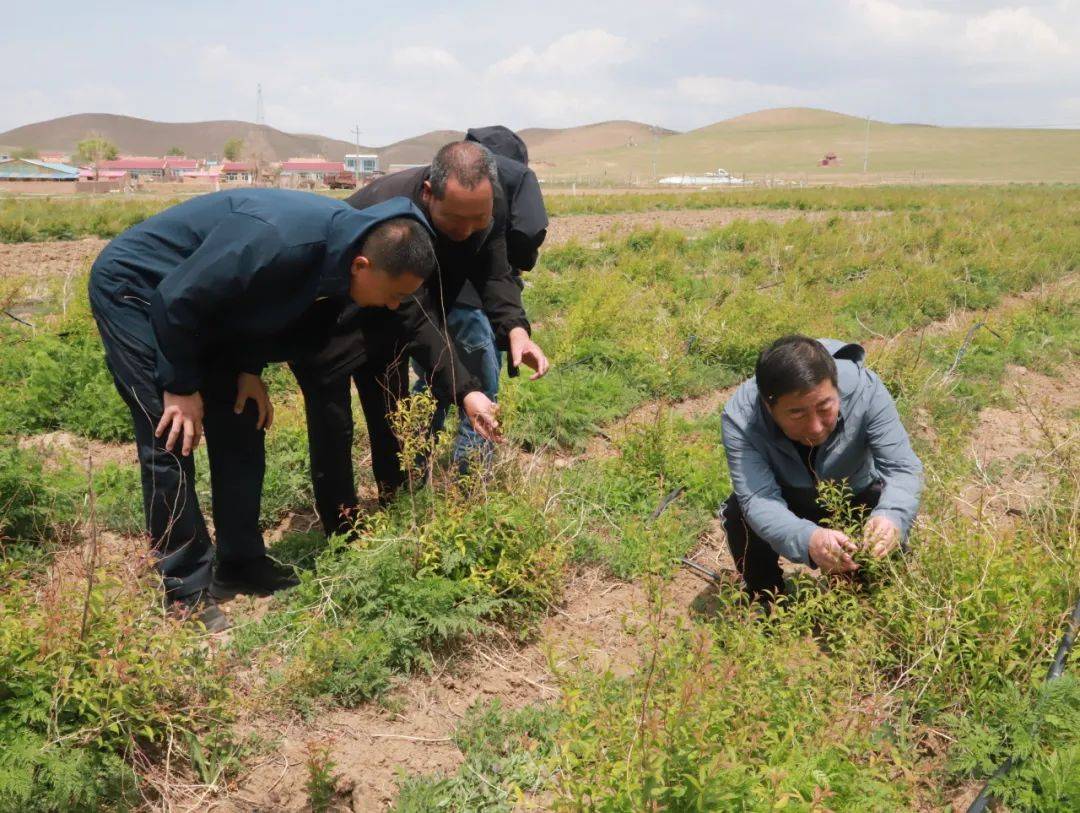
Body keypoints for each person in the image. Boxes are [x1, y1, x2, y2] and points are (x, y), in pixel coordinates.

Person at [89, 189, 438, 631]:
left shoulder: (343, 248)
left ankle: (241, 562)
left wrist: (248, 370)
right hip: (142, 292)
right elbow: (179, 297)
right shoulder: (280, 240)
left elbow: (255, 301)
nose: (393, 305)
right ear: (362, 266)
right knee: (171, 435)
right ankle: (184, 592)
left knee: (241, 420)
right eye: (393, 294)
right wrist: (179, 386)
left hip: (204, 309)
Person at [293, 140, 549, 536]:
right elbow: (417, 315)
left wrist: (515, 329)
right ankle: (343, 532)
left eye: (477, 221)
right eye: (454, 221)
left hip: (395, 308)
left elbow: (496, 271)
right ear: (429, 193)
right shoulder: (395, 215)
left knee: (391, 409)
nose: (466, 233)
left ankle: (395, 505)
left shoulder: (483, 204)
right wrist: (466, 389)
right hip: (335, 313)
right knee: (333, 421)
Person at [720, 335, 923, 604]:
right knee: (740, 515)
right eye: (797, 414)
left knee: (881, 571)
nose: (815, 427)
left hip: (854, 492)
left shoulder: (866, 390)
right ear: (769, 408)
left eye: (825, 407)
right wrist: (808, 539)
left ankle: (875, 589)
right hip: (787, 498)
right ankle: (765, 600)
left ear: (836, 389)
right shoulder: (741, 418)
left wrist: (892, 516)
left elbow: (902, 468)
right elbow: (758, 499)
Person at [412, 125, 547, 470]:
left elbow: (493, 266)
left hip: (431, 307)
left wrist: (516, 328)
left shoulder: (464, 189)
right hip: (468, 308)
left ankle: (411, 465)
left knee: (432, 381)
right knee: (481, 392)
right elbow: (523, 240)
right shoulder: (509, 181)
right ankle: (471, 478)